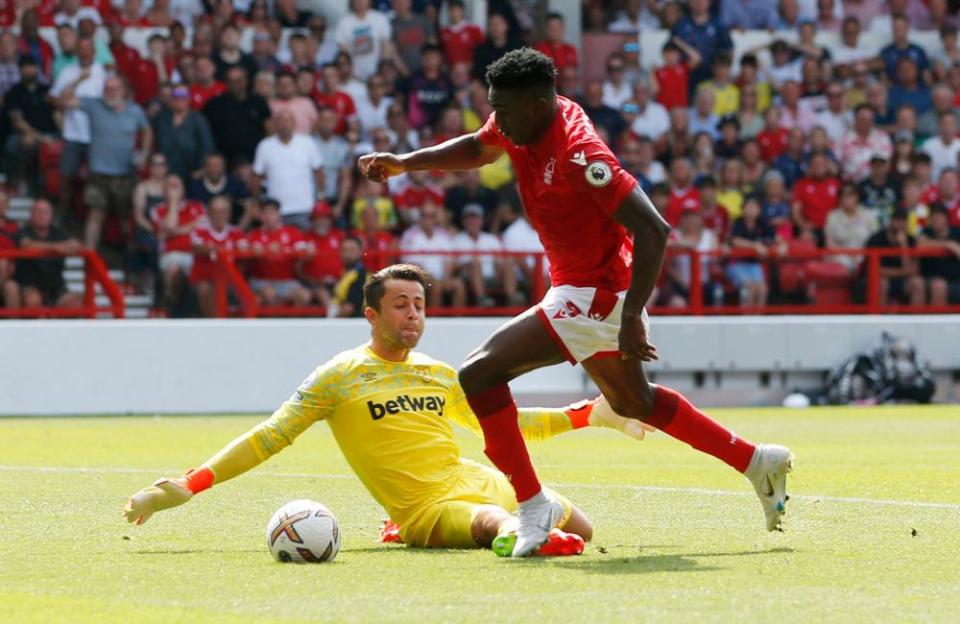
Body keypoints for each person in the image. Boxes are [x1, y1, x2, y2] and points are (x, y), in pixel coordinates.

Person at [359, 48, 793, 557]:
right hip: (581, 289)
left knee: (479, 374)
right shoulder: (519, 119)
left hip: (594, 295)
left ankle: (532, 504)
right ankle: (757, 461)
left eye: (505, 110)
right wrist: (406, 163)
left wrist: (631, 316)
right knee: (636, 402)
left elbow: (654, 229)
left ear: (541, 104)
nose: (497, 119)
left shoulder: (580, 153)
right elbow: (478, 148)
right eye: (494, 106)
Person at [123, 264, 652, 553]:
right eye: (401, 305)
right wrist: (186, 486)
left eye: (420, 305)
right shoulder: (339, 376)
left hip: (473, 477)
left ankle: (537, 530)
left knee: (582, 527)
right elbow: (270, 436)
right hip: (427, 509)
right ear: (371, 315)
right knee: (497, 524)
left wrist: (590, 414)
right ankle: (458, 532)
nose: (413, 315)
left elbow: (511, 425)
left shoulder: (439, 373)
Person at [58, 74, 152, 251]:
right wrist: (79, 79)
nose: (110, 92)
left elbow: (147, 130)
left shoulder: (135, 111)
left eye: (114, 88)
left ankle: (131, 256)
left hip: (125, 173)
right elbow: (63, 100)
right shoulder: (94, 105)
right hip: (98, 172)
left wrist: (144, 154)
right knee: (95, 215)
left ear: (123, 90)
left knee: (126, 217)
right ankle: (89, 255)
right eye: (107, 89)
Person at [252, 111, 325, 229]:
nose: (285, 124)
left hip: (305, 207)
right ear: (275, 124)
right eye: (281, 121)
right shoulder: (265, 146)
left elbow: (319, 171)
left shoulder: (307, 142)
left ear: (294, 123)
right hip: (276, 210)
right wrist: (256, 201)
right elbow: (256, 175)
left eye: (288, 120)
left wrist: (321, 196)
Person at [151, 175, 207, 315]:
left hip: (196, 254)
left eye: (177, 186)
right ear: (164, 190)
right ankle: (171, 311)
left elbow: (202, 226)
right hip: (171, 255)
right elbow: (169, 227)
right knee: (174, 270)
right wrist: (174, 203)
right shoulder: (158, 209)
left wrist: (174, 231)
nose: (174, 189)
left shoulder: (198, 206)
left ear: (184, 189)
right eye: (171, 186)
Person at [246, 199, 311, 307]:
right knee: (270, 294)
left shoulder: (292, 232)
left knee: (305, 295)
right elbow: (250, 252)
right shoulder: (254, 235)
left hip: (286, 280)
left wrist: (288, 250)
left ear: (279, 215)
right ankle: (274, 321)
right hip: (261, 280)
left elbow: (303, 250)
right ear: (261, 216)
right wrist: (265, 250)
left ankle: (291, 322)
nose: (268, 216)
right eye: (265, 213)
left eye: (272, 212)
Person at [190, 195, 245, 318]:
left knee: (245, 290)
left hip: (231, 278)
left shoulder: (236, 232)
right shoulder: (199, 231)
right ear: (209, 213)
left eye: (223, 211)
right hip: (206, 277)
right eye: (216, 211)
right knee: (204, 288)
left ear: (229, 214)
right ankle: (213, 324)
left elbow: (244, 251)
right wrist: (219, 250)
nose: (219, 215)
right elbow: (198, 248)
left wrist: (214, 249)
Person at [862, 208, 925, 306]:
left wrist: (904, 246)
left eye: (903, 221)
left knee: (918, 283)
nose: (900, 224)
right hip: (879, 280)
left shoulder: (910, 240)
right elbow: (874, 270)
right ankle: (877, 320)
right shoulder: (876, 239)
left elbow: (915, 270)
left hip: (903, 281)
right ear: (891, 221)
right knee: (882, 284)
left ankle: (916, 320)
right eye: (897, 220)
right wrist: (904, 272)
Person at [153, 85, 214, 183]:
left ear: (189, 98)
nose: (180, 99)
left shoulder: (198, 119)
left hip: (193, 173)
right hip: (165, 173)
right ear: (171, 98)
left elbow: (207, 146)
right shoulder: (161, 118)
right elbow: (154, 143)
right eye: (176, 96)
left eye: (183, 96)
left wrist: (202, 170)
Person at [917, 204, 960, 305]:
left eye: (939, 217)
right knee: (939, 285)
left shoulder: (957, 232)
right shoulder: (927, 232)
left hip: (955, 278)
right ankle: (937, 321)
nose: (935, 220)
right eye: (933, 217)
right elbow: (921, 245)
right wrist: (949, 244)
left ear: (946, 219)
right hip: (932, 277)